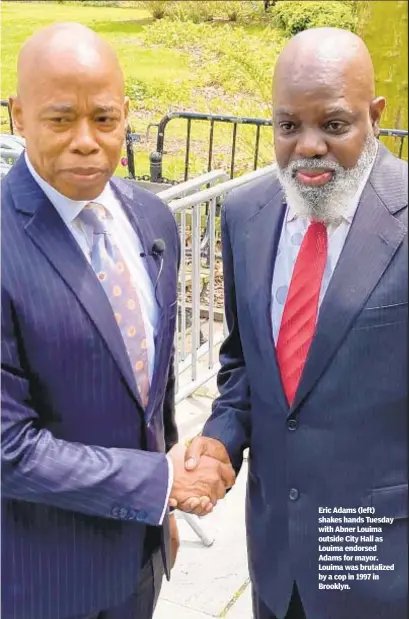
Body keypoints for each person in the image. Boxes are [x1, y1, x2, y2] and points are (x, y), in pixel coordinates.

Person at [1, 23, 235, 619]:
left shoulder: (152, 220)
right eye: (60, 120)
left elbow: (152, 392)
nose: (86, 141)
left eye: (104, 119)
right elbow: (8, 448)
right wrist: (158, 484)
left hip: (141, 564)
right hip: (39, 580)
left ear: (127, 114)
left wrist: (163, 509)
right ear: (18, 117)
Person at [182, 27, 408, 619]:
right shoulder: (244, 215)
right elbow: (243, 365)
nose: (308, 146)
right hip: (278, 564)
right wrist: (220, 441)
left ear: (374, 116)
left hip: (386, 571)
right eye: (288, 126)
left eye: (333, 125)